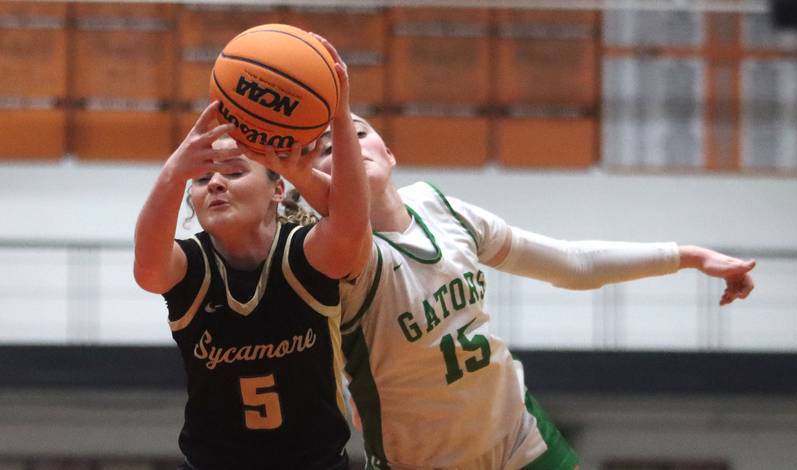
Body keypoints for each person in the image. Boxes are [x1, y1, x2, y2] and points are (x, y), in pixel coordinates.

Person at [306, 115, 756, 470]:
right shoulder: (328, 259)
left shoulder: (441, 208)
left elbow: (574, 264)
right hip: (418, 460)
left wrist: (689, 256)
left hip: (517, 435)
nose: (340, 147)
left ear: (389, 152)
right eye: (321, 151)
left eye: (354, 133)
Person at [132, 38, 372, 469]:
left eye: (234, 172)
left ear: (277, 190)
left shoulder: (302, 255)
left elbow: (352, 226)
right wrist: (172, 174)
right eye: (202, 180)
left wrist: (338, 113)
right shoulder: (192, 267)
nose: (215, 185)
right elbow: (148, 270)